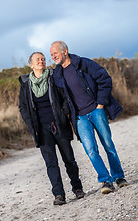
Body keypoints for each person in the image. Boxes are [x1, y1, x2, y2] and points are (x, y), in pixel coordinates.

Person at [50, 41, 128, 194]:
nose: (53, 57)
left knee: (108, 145)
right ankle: (106, 181)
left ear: (65, 51)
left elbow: (105, 79)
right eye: (51, 54)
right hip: (79, 118)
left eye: (55, 53)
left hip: (96, 110)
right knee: (91, 150)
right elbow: (62, 98)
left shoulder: (83, 63)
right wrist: (67, 112)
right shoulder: (57, 74)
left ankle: (119, 177)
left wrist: (100, 103)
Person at [19, 52, 84, 205]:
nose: (41, 61)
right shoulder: (25, 84)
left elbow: (65, 97)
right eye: (37, 60)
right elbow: (23, 107)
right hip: (41, 130)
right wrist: (30, 123)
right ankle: (59, 195)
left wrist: (63, 113)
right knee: (51, 163)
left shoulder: (53, 77)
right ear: (31, 65)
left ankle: (77, 188)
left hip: (59, 125)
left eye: (42, 59)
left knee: (69, 159)